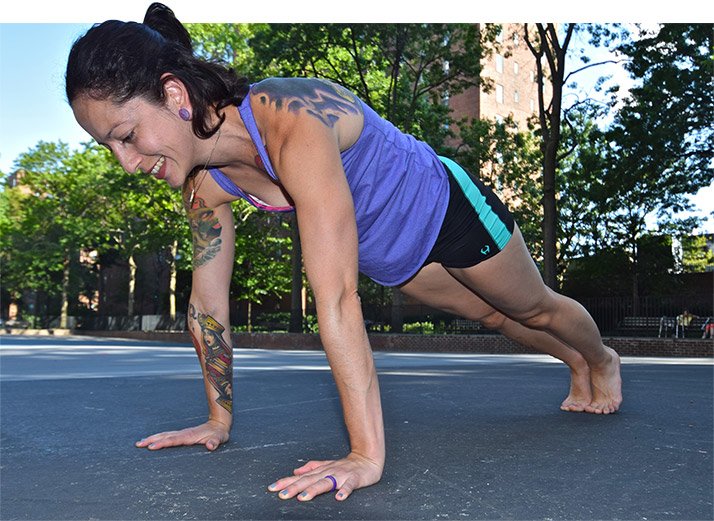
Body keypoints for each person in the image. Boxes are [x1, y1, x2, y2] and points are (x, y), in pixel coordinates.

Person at [65, 3, 622, 502]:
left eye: (126, 135)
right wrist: (217, 420)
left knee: (533, 307)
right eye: (108, 146)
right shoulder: (204, 186)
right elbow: (208, 306)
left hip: (446, 210)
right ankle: (574, 360)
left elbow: (334, 296)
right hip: (394, 256)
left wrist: (364, 455)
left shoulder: (290, 117)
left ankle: (601, 358)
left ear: (175, 96)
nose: (126, 162)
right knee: (493, 316)